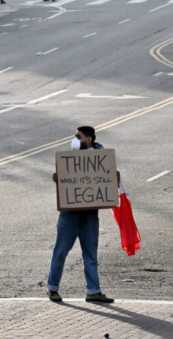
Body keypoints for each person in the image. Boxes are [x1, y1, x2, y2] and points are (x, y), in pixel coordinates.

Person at [47, 126, 116, 304]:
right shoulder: (71, 154)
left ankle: (93, 291)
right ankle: (52, 288)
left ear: (89, 140)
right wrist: (58, 178)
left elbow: (107, 177)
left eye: (79, 136)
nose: (75, 140)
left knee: (90, 255)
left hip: (89, 215)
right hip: (70, 215)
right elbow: (65, 177)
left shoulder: (100, 155)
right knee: (61, 252)